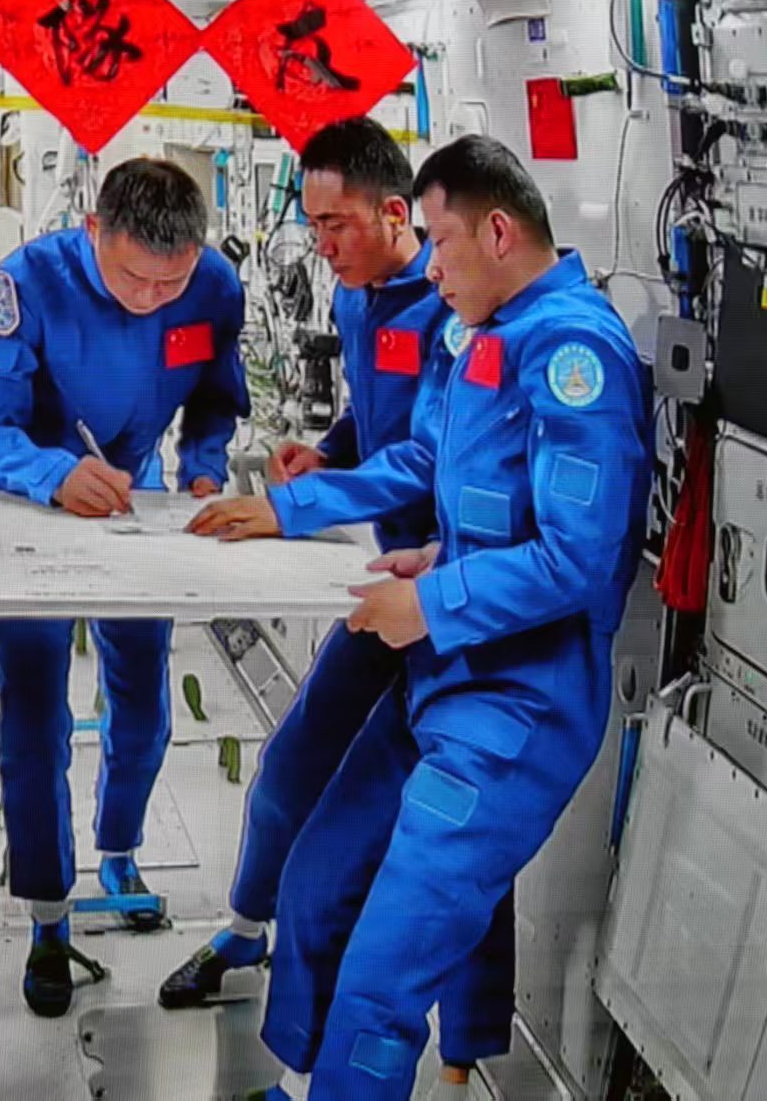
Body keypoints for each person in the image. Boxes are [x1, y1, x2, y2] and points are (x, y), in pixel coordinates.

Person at [205, 135, 651, 1100]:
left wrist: (433, 599)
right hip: (439, 678)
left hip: (517, 707)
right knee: (316, 878)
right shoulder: (474, 329)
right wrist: (379, 535)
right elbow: (428, 461)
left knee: (384, 972)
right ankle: (302, 1082)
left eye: (441, 242)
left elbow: (578, 558)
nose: (431, 267)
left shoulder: (575, 353)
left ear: (499, 233)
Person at [162, 119, 515, 1096]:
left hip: (454, 603)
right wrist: (328, 449)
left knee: (443, 851)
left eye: (334, 225)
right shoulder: (358, 297)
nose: (320, 245)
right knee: (287, 770)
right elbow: (378, 419)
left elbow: (430, 457)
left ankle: (457, 1049)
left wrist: (295, 505)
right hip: (383, 581)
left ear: (397, 214)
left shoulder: (457, 311)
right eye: (312, 225)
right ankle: (245, 931)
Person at [0, 158, 249, 1017]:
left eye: (171, 283)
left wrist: (202, 467)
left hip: (137, 503)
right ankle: (48, 916)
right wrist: (51, 474)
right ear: (92, 233)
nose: (153, 298)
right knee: (34, 719)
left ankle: (120, 848)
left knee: (145, 706)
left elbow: (217, 397)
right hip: (35, 502)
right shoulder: (24, 287)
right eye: (132, 278)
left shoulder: (214, 286)